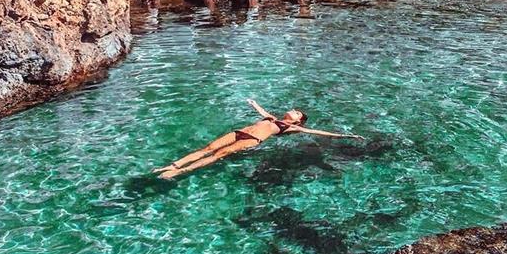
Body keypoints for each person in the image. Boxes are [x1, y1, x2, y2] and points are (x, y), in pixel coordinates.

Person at [153, 99, 362, 179]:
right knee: (208, 147)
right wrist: (254, 104)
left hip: (252, 140)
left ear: (298, 121)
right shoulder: (273, 118)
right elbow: (263, 111)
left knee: (218, 155)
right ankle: (172, 164)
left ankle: (179, 171)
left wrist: (344, 135)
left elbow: (317, 132)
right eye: (295, 109)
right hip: (238, 131)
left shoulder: (289, 128)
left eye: (297, 112)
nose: (293, 110)